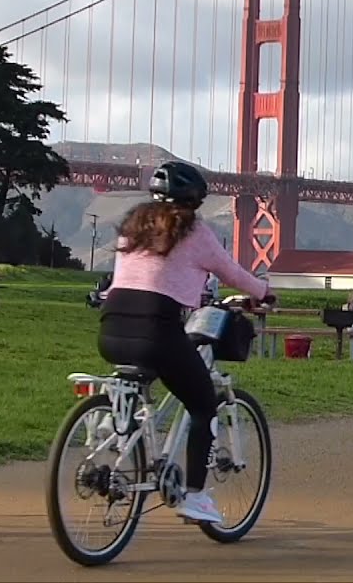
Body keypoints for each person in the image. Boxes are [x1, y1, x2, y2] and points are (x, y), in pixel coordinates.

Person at [98, 161, 270, 524]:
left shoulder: (132, 226)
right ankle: (196, 495)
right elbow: (232, 272)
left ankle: (120, 439)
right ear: (193, 200)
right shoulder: (194, 231)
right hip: (156, 331)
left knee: (147, 385)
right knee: (203, 403)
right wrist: (263, 293)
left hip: (111, 329)